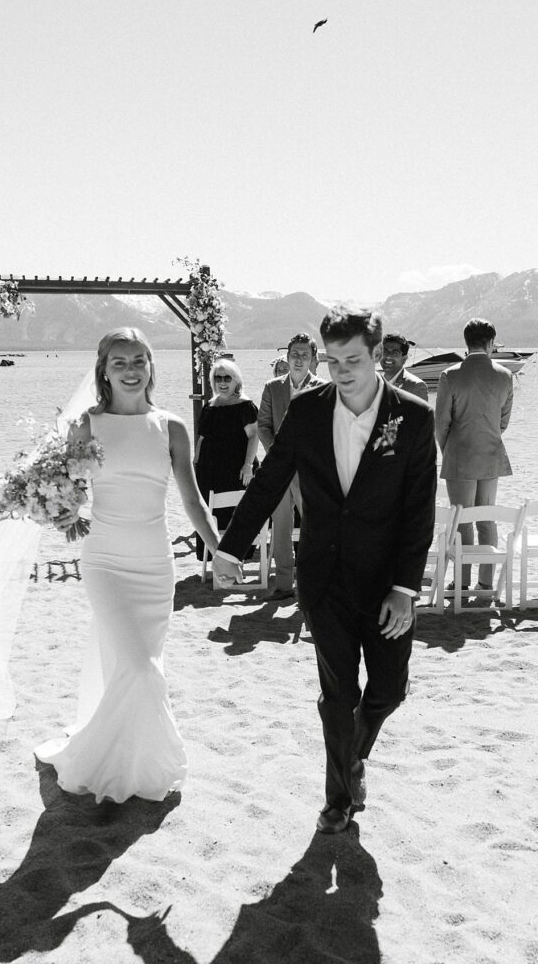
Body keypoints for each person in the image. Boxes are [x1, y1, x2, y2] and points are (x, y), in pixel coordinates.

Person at [213, 306, 436, 834]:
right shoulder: (308, 410)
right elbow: (270, 479)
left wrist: (406, 588)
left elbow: (418, 509)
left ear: (378, 356)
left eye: (352, 359)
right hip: (324, 577)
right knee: (338, 694)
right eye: (331, 359)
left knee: (387, 690)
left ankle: (353, 754)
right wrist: (232, 546)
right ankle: (338, 799)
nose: (340, 370)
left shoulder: (414, 416)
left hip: (387, 582)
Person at [35, 327, 220, 803]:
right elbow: (66, 494)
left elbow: (193, 499)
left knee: (138, 664)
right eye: (119, 362)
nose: (131, 369)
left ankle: (134, 759)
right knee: (138, 668)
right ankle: (101, 757)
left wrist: (220, 550)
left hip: (156, 567)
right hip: (105, 562)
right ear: (103, 370)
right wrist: (63, 513)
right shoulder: (86, 426)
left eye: (139, 359)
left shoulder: (172, 426)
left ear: (151, 366)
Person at [435, 317, 513, 595]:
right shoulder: (504, 375)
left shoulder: (451, 375)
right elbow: (503, 421)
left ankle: (461, 580)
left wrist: (449, 449)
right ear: (491, 342)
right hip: (491, 456)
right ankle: (486, 582)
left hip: (459, 455)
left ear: (466, 342)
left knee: (461, 520)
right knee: (486, 518)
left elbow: (441, 422)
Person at [258, 332, 322, 600]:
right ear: (287, 356)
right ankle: (284, 585)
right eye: (294, 354)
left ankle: (315, 583)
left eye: (304, 355)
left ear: (313, 359)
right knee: (280, 529)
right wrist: (278, 454)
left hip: (309, 473)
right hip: (278, 471)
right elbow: (263, 425)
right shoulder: (273, 387)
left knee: (316, 529)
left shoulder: (322, 388)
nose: (298, 359)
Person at [192, 358, 259, 561]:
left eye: (227, 378)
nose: (222, 382)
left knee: (235, 512)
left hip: (237, 470)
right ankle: (213, 554)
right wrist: (196, 465)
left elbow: (254, 436)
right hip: (209, 472)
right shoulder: (209, 407)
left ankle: (237, 556)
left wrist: (248, 465)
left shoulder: (245, 406)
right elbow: (202, 438)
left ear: (236, 380)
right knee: (209, 512)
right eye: (218, 378)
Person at [379, 333, 429, 402]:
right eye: (385, 352)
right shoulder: (374, 383)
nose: (388, 356)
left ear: (404, 358)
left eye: (395, 353)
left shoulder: (416, 386)